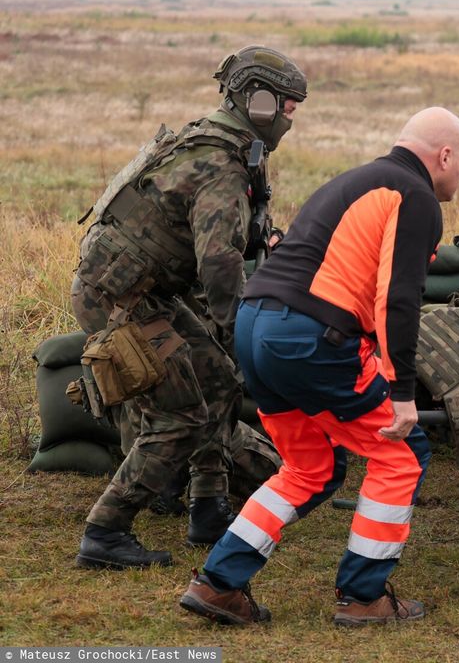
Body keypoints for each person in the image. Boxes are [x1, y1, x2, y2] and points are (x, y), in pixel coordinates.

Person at [179, 107, 459, 627]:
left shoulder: (356, 180)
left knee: (311, 468)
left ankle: (219, 584)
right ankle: (363, 597)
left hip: (256, 327)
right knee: (402, 453)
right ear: (444, 155)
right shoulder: (416, 196)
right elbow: (398, 297)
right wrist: (402, 390)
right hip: (311, 337)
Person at [71, 46, 306, 569]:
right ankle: (105, 531)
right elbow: (219, 266)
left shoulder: (222, 143)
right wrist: (245, 333)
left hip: (148, 292)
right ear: (259, 102)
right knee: (181, 412)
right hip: (121, 300)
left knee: (218, 382)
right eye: (287, 107)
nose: (291, 118)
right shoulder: (220, 164)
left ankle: (207, 507)